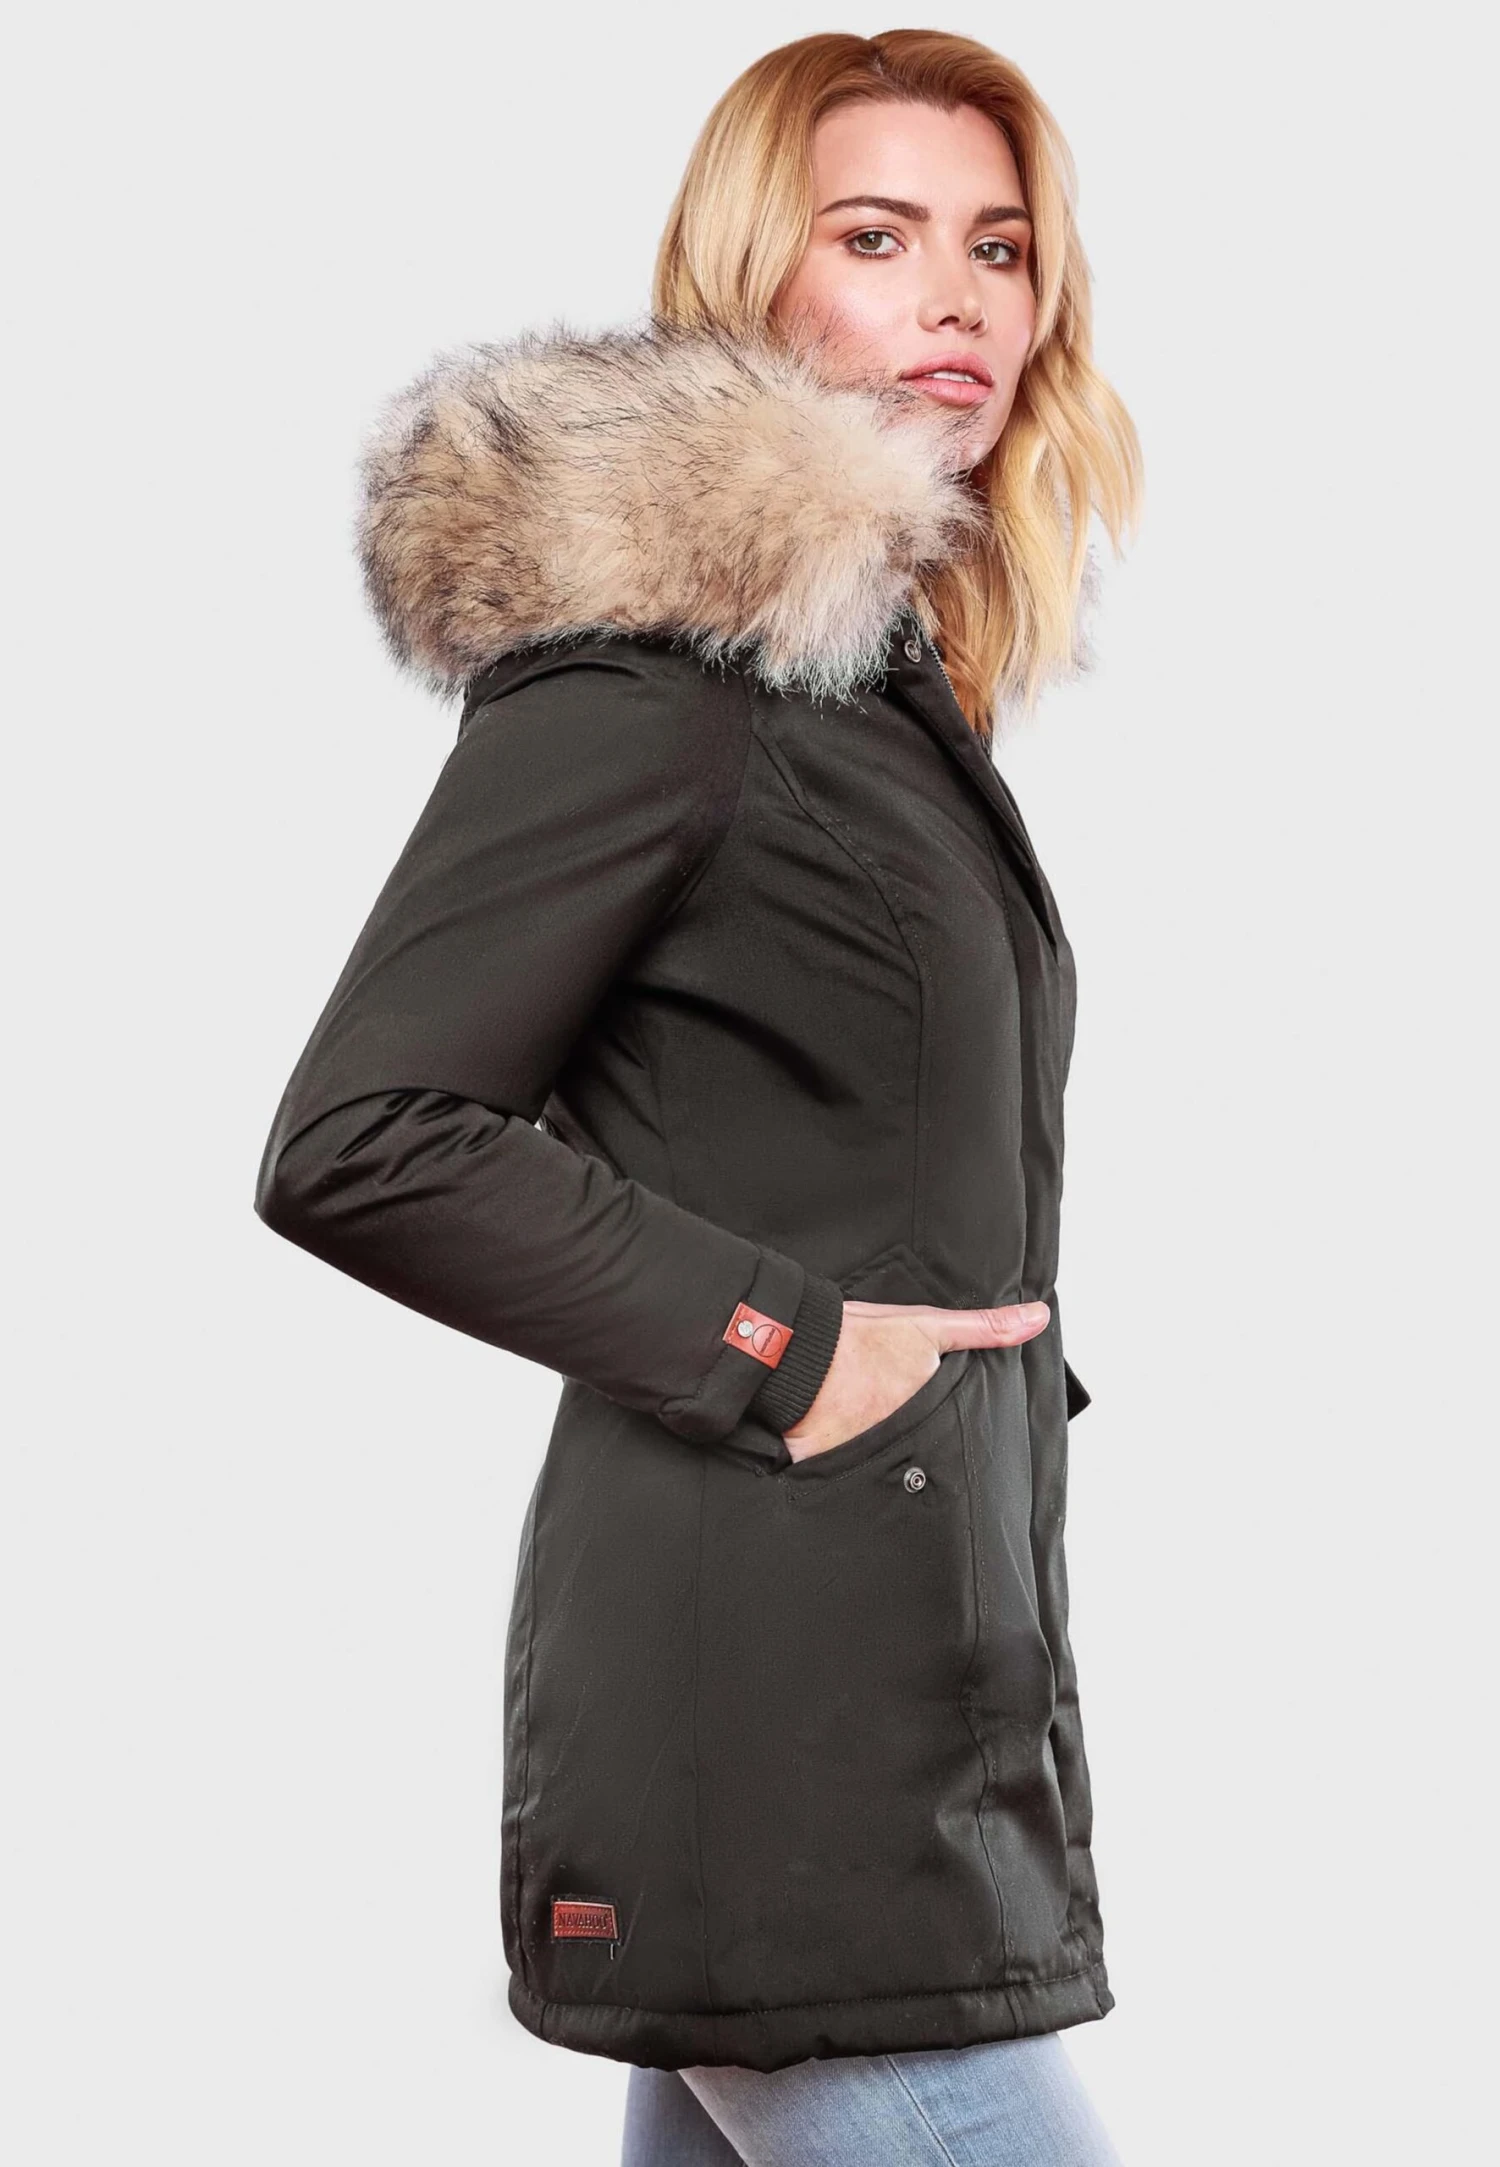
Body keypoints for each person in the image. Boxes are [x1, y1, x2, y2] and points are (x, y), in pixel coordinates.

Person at [254, 27, 1142, 2166]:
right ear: (754, 276)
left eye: (999, 247)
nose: (958, 299)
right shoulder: (662, 681)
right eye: (878, 238)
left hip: (890, 1692)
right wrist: (791, 1346)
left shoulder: (868, 697)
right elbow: (363, 1136)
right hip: (785, 1735)